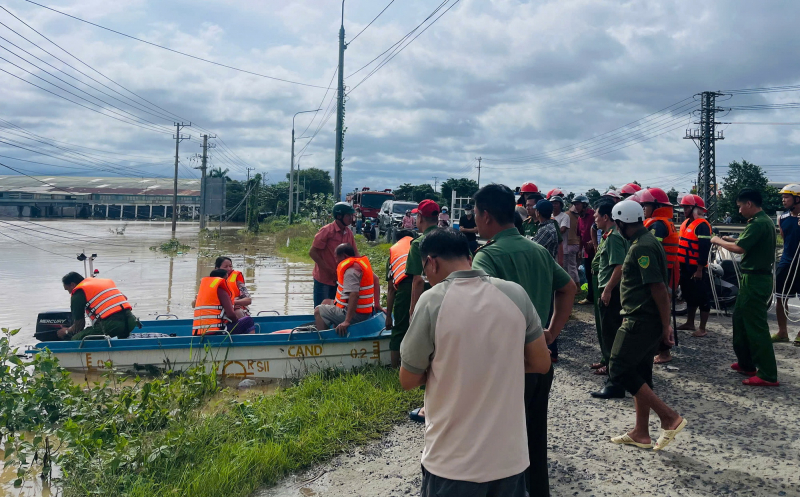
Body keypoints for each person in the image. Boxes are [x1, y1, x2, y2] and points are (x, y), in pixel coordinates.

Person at [400, 228, 551, 497]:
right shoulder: (515, 294)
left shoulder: (432, 301)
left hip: (452, 463)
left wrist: (448, 367)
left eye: (424, 270)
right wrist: (497, 363)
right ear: (469, 257)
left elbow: (408, 379)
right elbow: (541, 363)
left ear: (431, 262)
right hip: (510, 461)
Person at [471, 184, 576, 496]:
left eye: (476, 215)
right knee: (534, 437)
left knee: (500, 445)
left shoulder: (486, 257)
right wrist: (552, 333)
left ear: (486, 216)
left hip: (505, 366)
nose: (475, 220)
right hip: (540, 360)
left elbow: (478, 312)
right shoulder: (538, 251)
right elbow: (569, 287)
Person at [606, 200, 686, 450]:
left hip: (640, 319)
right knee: (640, 374)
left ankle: (668, 417)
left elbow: (659, 288)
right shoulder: (648, 240)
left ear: (620, 223)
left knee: (618, 369)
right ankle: (641, 432)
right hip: (646, 319)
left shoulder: (641, 247)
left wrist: (666, 326)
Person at [711, 189, 779, 386]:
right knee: (739, 319)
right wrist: (732, 239)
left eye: (740, 206)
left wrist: (717, 240)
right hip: (753, 279)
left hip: (756, 281)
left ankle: (767, 373)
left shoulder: (758, 223)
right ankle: (746, 363)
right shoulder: (762, 221)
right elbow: (745, 243)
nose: (739, 211)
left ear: (749, 204)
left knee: (756, 326)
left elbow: (740, 249)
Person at [406, 199, 441, 422]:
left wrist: (412, 311)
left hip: (429, 304)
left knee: (429, 355)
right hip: (452, 299)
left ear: (419, 218)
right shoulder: (449, 238)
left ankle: (429, 407)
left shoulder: (419, 243)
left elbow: (417, 281)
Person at [589, 202, 629, 397]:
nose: (594, 218)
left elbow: (619, 266)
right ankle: (607, 361)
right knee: (605, 328)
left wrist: (608, 290)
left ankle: (613, 375)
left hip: (610, 289)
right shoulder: (609, 235)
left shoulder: (613, 237)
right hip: (605, 287)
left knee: (610, 330)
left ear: (606, 217)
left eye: (597, 215)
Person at [637, 187, 680, 364]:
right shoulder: (662, 222)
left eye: (645, 205)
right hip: (665, 271)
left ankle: (664, 351)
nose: (643, 208)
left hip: (661, 273)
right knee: (661, 310)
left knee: (659, 311)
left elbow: (651, 250)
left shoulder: (657, 225)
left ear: (656, 205)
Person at [314, 243, 382, 335]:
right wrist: (377, 304)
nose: (336, 261)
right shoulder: (359, 265)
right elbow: (376, 279)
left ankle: (325, 339)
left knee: (318, 310)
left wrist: (347, 321)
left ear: (344, 256)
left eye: (337, 257)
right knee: (326, 302)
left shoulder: (350, 271)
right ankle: (333, 327)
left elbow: (354, 295)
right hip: (363, 311)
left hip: (356, 315)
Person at [58, 272, 139, 340]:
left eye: (67, 289)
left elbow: (79, 326)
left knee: (76, 339)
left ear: (72, 284)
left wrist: (66, 331)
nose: (69, 293)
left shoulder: (79, 292)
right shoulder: (103, 283)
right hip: (130, 321)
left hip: (113, 325)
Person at [309, 202, 359, 307]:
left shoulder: (349, 233)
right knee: (320, 310)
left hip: (340, 279)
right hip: (324, 279)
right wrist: (329, 270)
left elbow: (355, 254)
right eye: (348, 215)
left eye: (352, 215)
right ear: (339, 216)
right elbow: (313, 252)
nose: (351, 218)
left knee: (337, 309)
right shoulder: (326, 231)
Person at [676, 195, 713, 338]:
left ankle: (702, 328)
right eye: (683, 207)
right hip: (685, 266)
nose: (684, 210)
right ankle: (689, 322)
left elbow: (704, 249)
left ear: (695, 208)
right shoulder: (686, 223)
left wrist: (699, 269)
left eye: (687, 207)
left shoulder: (702, 225)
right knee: (688, 295)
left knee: (702, 297)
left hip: (697, 268)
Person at [773, 184, 800, 345]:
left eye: (787, 197)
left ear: (797, 199)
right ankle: (782, 332)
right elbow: (785, 239)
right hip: (787, 261)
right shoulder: (782, 218)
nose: (783, 200)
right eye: (783, 197)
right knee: (780, 298)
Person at [193, 269, 255, 335]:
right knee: (248, 321)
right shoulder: (222, 292)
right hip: (217, 332)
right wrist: (237, 321)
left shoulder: (202, 292)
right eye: (226, 278)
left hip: (199, 332)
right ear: (223, 279)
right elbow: (231, 315)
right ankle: (251, 342)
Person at [386, 230, 415, 367]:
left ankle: (394, 366)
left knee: (399, 328)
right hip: (428, 288)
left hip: (406, 290)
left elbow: (391, 289)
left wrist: (388, 316)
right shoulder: (420, 247)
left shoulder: (395, 253)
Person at [576, 195, 595, 304]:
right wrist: (579, 250)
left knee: (596, 274)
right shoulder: (579, 218)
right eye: (575, 204)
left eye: (578, 204)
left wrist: (593, 241)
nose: (576, 207)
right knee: (588, 273)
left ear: (584, 204)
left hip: (597, 250)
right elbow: (580, 236)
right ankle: (590, 297)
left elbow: (600, 229)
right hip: (587, 251)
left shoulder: (593, 214)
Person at [564, 196, 586, 285]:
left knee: (571, 266)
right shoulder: (581, 216)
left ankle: (576, 286)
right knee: (576, 266)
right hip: (579, 244)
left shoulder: (566, 215)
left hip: (570, 244)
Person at [551, 195, 569, 266]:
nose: (554, 205)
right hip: (552, 249)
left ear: (560, 205)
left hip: (562, 249)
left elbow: (562, 230)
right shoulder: (550, 216)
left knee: (563, 271)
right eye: (552, 203)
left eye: (556, 203)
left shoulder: (565, 216)